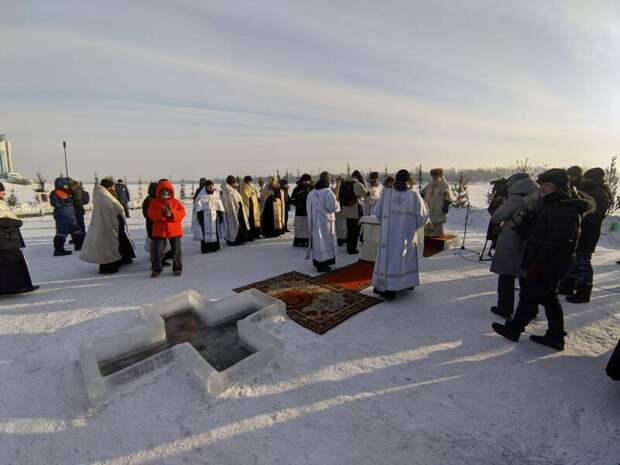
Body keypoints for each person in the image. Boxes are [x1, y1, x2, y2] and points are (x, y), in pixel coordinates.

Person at [492, 169, 594, 351]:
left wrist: (540, 263)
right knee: (548, 298)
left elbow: (561, 242)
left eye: (547, 185)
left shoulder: (564, 208)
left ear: (559, 187)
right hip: (545, 259)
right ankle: (555, 336)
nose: (543, 188)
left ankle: (515, 329)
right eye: (542, 185)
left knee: (529, 296)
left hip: (550, 261)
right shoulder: (552, 204)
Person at [372, 170, 429, 300]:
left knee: (389, 260)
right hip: (406, 236)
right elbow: (423, 217)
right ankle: (406, 283)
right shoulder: (414, 196)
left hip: (388, 236)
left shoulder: (386, 195)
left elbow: (377, 213)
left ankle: (388, 288)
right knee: (405, 258)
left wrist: (387, 224)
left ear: (396, 180)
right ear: (409, 181)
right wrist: (411, 227)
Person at [488, 173, 539, 318]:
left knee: (506, 275)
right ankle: (530, 310)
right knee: (526, 278)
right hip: (530, 240)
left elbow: (497, 216)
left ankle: (504, 308)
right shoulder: (538, 195)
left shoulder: (516, 198)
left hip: (512, 240)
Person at [559, 167, 612, 303]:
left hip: (588, 232)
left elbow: (591, 215)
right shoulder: (591, 191)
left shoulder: (597, 194)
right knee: (575, 259)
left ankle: (584, 291)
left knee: (583, 261)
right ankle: (568, 285)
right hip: (583, 230)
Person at [80, 179, 136, 274]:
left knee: (117, 241)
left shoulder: (102, 194)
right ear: (108, 187)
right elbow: (111, 208)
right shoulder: (103, 196)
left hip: (109, 223)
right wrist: (118, 209)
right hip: (107, 224)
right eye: (112, 186)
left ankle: (122, 258)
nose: (114, 188)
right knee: (109, 245)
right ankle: (109, 266)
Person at [0, 182, 39, 295]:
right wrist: (16, 222)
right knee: (14, 262)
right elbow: (3, 221)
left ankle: (8, 287)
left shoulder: (2, 203)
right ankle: (20, 286)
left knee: (5, 264)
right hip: (6, 239)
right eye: (1, 191)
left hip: (6, 239)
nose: (4, 193)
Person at [148, 179, 185, 277]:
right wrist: (162, 213)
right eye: (163, 191)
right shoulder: (154, 202)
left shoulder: (176, 202)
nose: (165, 193)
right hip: (159, 230)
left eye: (167, 191)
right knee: (157, 251)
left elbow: (182, 213)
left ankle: (177, 268)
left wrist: (172, 213)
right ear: (159, 191)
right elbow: (150, 214)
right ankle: (157, 269)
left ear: (170, 191)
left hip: (174, 230)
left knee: (176, 250)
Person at [306, 176, 340, 272]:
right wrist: (337, 204)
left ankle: (318, 263)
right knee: (325, 242)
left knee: (318, 243)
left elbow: (308, 207)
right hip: (326, 223)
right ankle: (324, 264)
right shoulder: (327, 192)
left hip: (315, 222)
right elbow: (332, 207)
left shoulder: (311, 193)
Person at [50, 177, 84, 256]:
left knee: (76, 230)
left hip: (70, 215)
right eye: (66, 184)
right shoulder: (56, 192)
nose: (67, 186)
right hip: (62, 215)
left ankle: (79, 246)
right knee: (61, 232)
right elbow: (55, 203)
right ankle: (58, 250)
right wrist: (66, 202)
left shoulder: (66, 192)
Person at [142, 181, 173, 267]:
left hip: (159, 226)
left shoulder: (156, 199)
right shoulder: (149, 200)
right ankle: (156, 262)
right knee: (155, 245)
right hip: (153, 226)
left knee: (161, 244)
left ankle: (161, 260)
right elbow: (147, 214)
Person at [339, 170, 370, 254]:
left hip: (346, 210)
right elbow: (366, 194)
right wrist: (364, 185)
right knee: (355, 230)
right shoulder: (357, 184)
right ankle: (352, 249)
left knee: (349, 229)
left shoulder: (344, 184)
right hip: (356, 210)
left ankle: (349, 247)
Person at [192, 180, 225, 253]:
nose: (210, 187)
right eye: (209, 186)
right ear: (206, 187)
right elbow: (198, 208)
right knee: (205, 233)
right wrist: (200, 219)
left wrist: (221, 215)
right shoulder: (201, 196)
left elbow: (220, 206)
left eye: (211, 186)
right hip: (204, 218)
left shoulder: (216, 195)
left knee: (214, 232)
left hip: (214, 217)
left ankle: (214, 247)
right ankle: (206, 248)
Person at [421, 168, 454, 236]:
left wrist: (446, 205)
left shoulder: (444, 185)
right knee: (427, 232)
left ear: (439, 176)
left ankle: (438, 241)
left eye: (435, 176)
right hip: (429, 211)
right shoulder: (430, 185)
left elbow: (448, 195)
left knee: (437, 233)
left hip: (438, 211)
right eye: (433, 176)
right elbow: (423, 193)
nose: (434, 177)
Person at [220, 175, 250, 246]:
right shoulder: (230, 191)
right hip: (234, 211)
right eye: (234, 182)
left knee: (233, 226)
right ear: (231, 183)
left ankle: (235, 239)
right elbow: (233, 201)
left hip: (234, 211)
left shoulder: (228, 190)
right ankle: (236, 240)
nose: (235, 184)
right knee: (235, 226)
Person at [290, 174, 313, 247]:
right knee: (300, 228)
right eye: (305, 181)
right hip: (299, 212)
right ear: (302, 181)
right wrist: (297, 204)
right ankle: (299, 241)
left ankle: (308, 241)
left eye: (307, 181)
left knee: (308, 227)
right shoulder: (297, 189)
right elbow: (292, 199)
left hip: (309, 212)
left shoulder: (312, 188)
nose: (306, 182)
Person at [240, 176, 262, 240]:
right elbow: (247, 196)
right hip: (249, 206)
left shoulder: (249, 186)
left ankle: (255, 234)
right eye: (249, 181)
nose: (250, 182)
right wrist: (252, 193)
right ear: (247, 181)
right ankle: (250, 235)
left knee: (254, 221)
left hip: (254, 206)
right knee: (250, 221)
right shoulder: (244, 187)